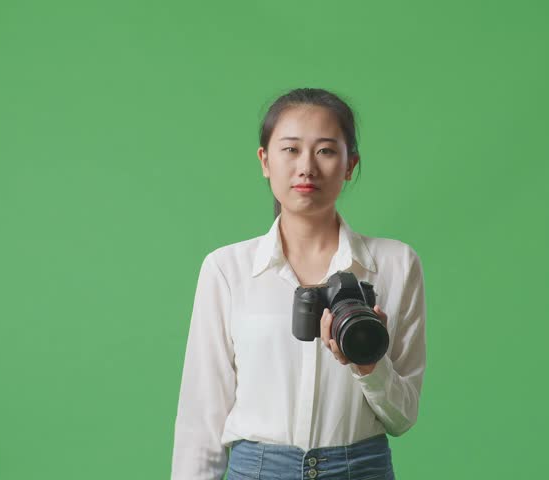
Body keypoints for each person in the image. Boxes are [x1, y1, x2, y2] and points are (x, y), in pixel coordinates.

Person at [169, 87, 427, 480]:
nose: (306, 167)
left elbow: (403, 416)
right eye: (290, 149)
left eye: (325, 150)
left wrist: (368, 365)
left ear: (350, 164)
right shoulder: (227, 269)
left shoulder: (396, 264)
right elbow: (200, 421)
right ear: (265, 160)